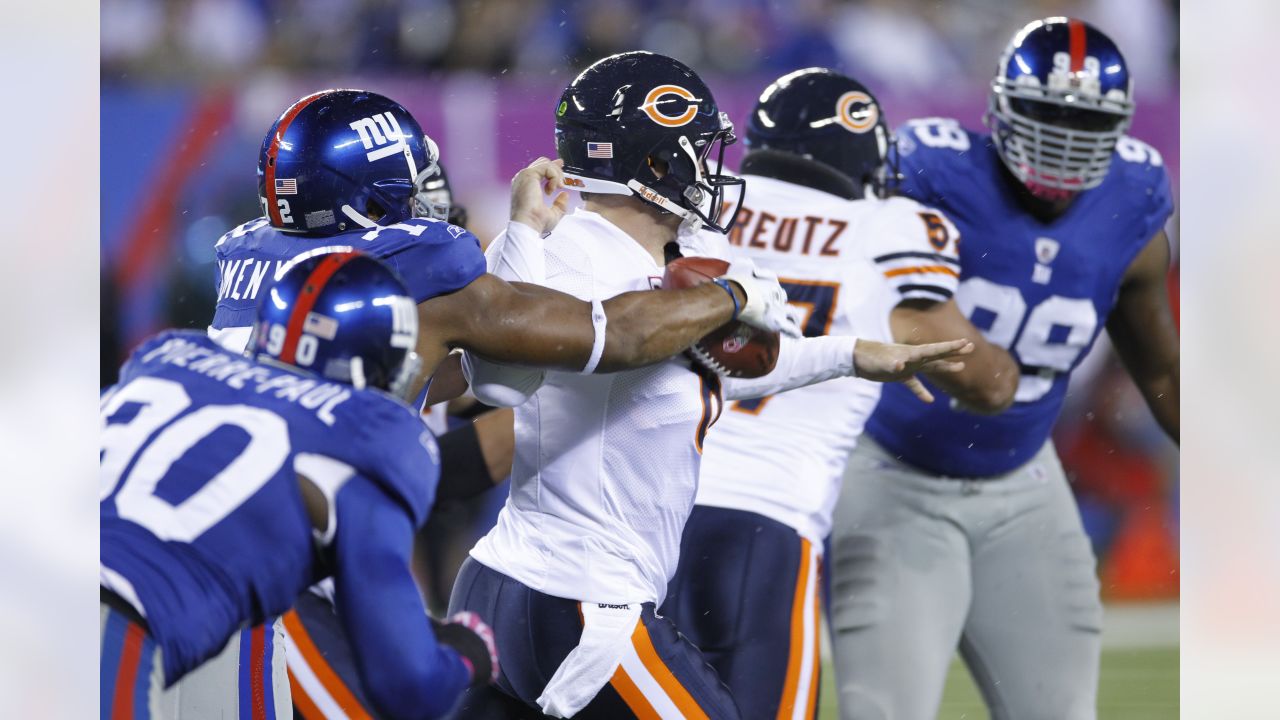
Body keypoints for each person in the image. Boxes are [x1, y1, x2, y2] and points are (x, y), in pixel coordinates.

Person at [198, 88, 801, 717]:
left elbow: (454, 381)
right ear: (372, 197)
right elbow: (611, 337)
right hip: (283, 576)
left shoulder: (252, 258)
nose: (429, 203)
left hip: (193, 547)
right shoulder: (417, 268)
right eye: (410, 186)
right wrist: (731, 295)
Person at [445, 51, 973, 719]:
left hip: (509, 587)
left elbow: (727, 369)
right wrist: (726, 293)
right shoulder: (567, 255)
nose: (712, 167)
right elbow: (507, 380)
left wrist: (851, 354)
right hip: (582, 600)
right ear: (656, 163)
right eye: (697, 149)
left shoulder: (669, 266)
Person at [827, 18, 1179, 720]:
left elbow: (1161, 367)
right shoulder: (928, 170)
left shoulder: (1131, 201)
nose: (1065, 137)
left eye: (1086, 121)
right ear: (1001, 109)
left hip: (1026, 488)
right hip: (894, 477)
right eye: (1049, 114)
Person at [659, 68, 1019, 720]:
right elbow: (984, 381)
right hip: (764, 520)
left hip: (645, 506)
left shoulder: (698, 207)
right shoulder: (887, 229)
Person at [100, 251, 500, 720]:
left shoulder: (168, 356)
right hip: (107, 622)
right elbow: (409, 687)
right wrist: (465, 652)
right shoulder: (366, 436)